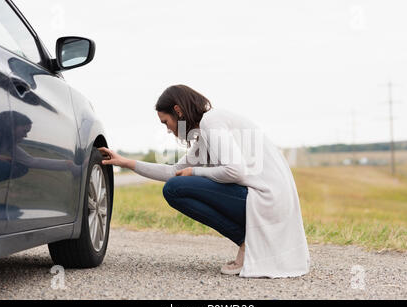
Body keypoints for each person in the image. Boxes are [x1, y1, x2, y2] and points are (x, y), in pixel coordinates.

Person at [98, 84, 310, 278]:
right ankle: (248, 243)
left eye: (166, 122)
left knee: (174, 189)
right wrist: (125, 163)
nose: (168, 129)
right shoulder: (206, 132)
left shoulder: (212, 122)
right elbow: (174, 171)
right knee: (175, 186)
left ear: (178, 111)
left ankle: (246, 243)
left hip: (266, 200)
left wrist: (196, 172)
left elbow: (235, 171)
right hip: (269, 200)